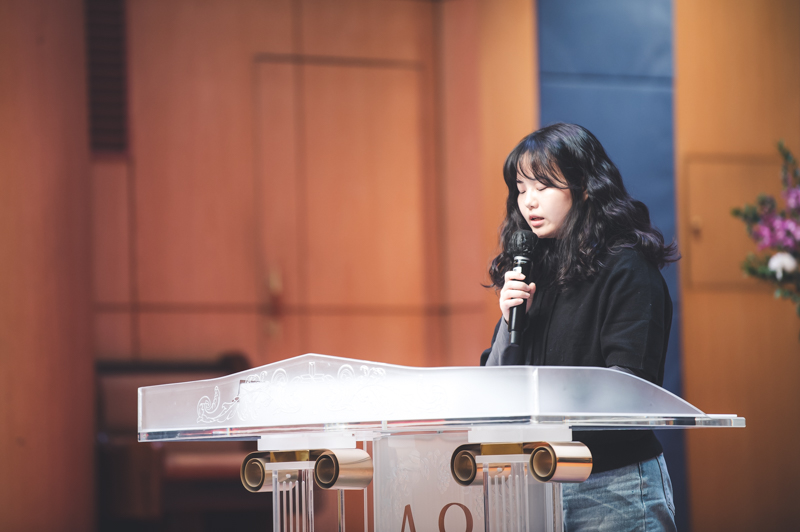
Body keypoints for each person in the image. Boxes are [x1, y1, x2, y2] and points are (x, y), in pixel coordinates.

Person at [481, 123, 679, 531]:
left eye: (543, 186)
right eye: (521, 188)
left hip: (613, 485)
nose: (528, 201)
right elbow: (495, 388)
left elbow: (631, 387)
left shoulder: (627, 267)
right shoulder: (535, 271)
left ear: (585, 187)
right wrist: (509, 321)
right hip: (538, 482)